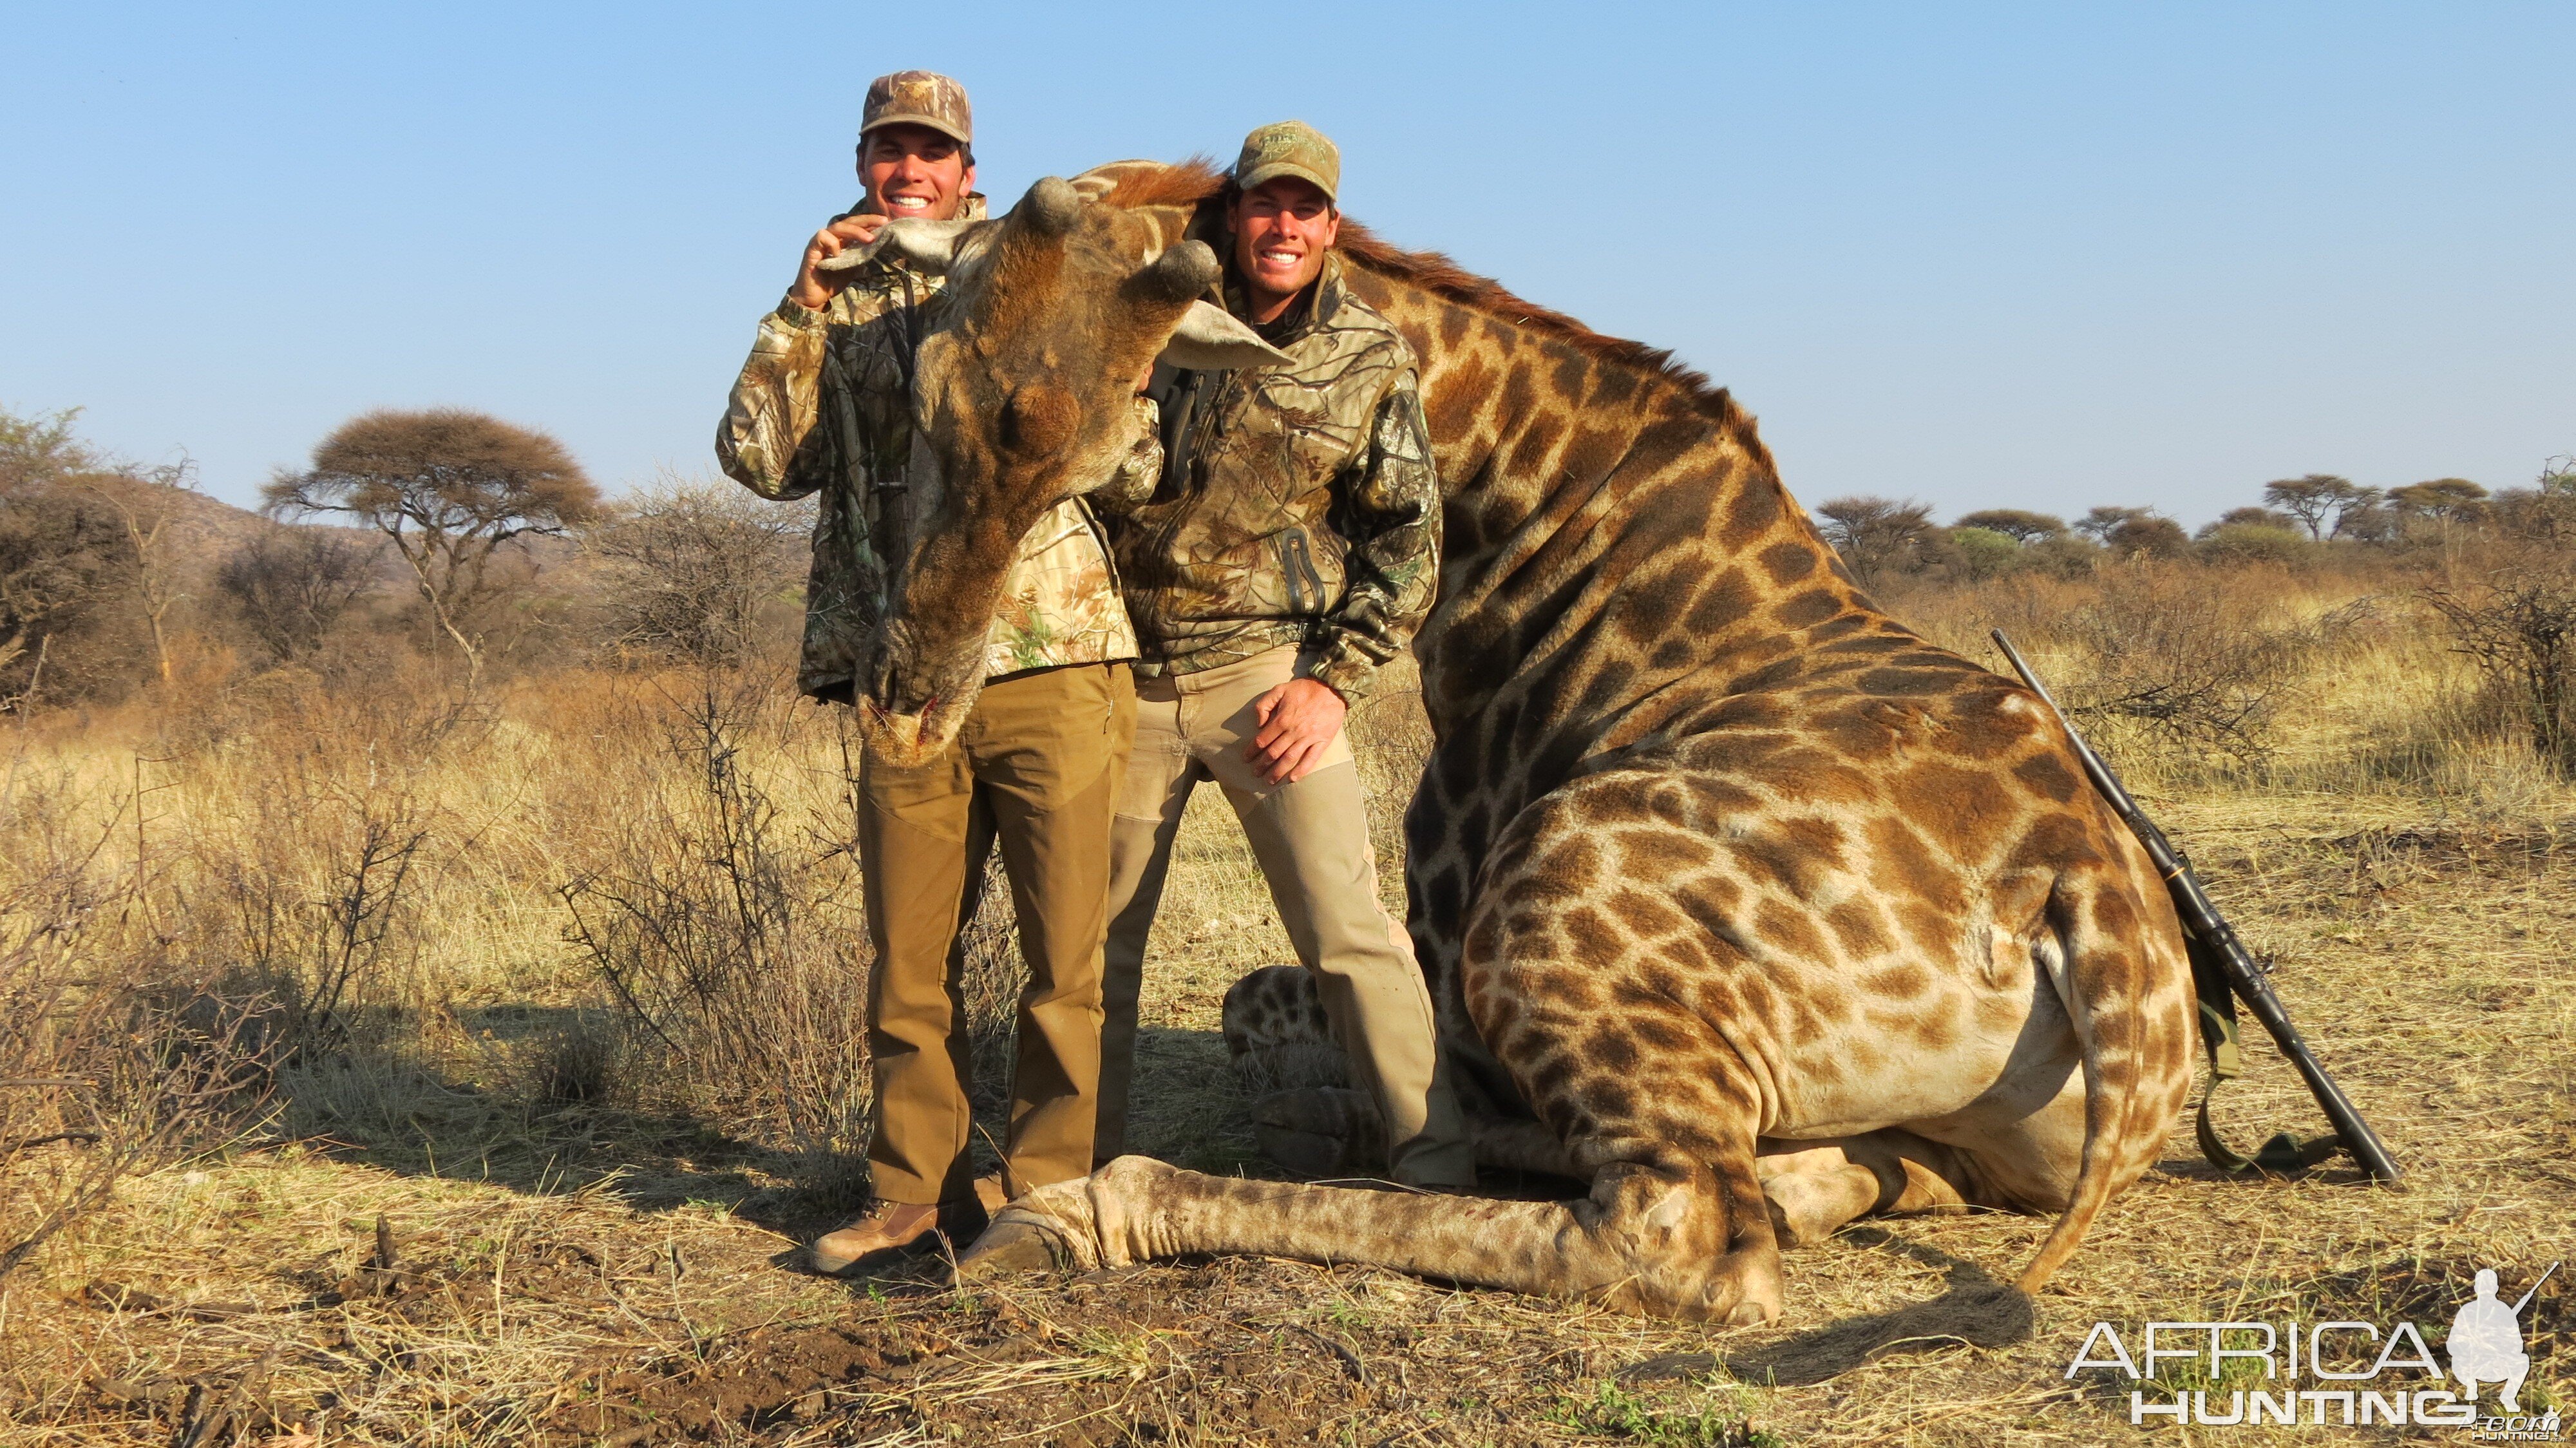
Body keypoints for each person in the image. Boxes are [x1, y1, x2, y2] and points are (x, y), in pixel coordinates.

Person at [716, 70, 1141, 1275]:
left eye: (931, 150)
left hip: (1047, 653)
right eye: (888, 148)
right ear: (862, 163)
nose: (909, 168)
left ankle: (1051, 1201)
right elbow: (760, 461)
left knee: (1067, 962)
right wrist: (798, 304)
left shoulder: (1045, 267)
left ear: (969, 169)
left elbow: (1131, 447)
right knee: (909, 961)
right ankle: (913, 1195)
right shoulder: (834, 296)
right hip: (902, 675)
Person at [1093, 120, 1474, 1188]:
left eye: (1306, 209)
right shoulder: (1155, 325)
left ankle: (1436, 1174)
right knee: (1096, 953)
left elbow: (1408, 545)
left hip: (1268, 685)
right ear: (1234, 214)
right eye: (1267, 204)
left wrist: (1331, 685)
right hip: (1127, 678)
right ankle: (1069, 1174)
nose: (1285, 225)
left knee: (1350, 936)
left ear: (1331, 226)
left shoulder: (1367, 354)